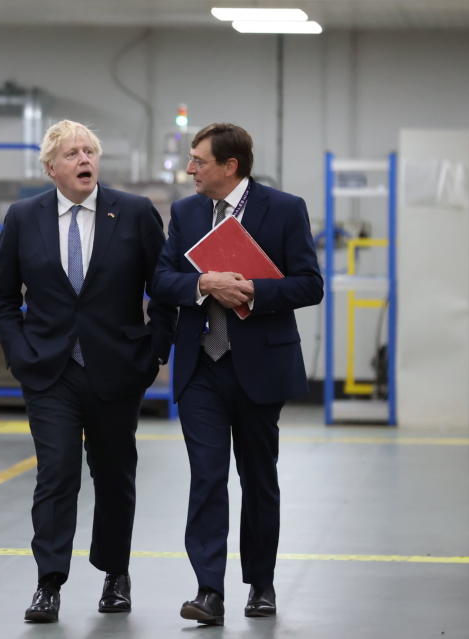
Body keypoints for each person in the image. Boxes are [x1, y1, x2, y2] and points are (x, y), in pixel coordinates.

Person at [0, 120, 176, 623]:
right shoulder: (24, 217)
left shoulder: (134, 214)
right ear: (51, 168)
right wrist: (20, 356)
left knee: (115, 475)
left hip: (117, 369)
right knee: (56, 474)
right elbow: (4, 299)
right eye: (71, 153)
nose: (84, 159)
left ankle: (116, 574)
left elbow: (164, 289)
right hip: (50, 371)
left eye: (89, 151)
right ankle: (48, 582)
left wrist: (153, 351)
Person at [152, 123, 323, 626]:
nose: (189, 170)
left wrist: (251, 289)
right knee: (206, 478)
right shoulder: (185, 213)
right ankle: (208, 591)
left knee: (259, 479)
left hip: (259, 367)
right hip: (202, 366)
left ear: (230, 166)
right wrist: (203, 283)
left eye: (198, 161)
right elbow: (162, 280)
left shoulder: (284, 209)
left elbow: (309, 284)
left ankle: (261, 585)